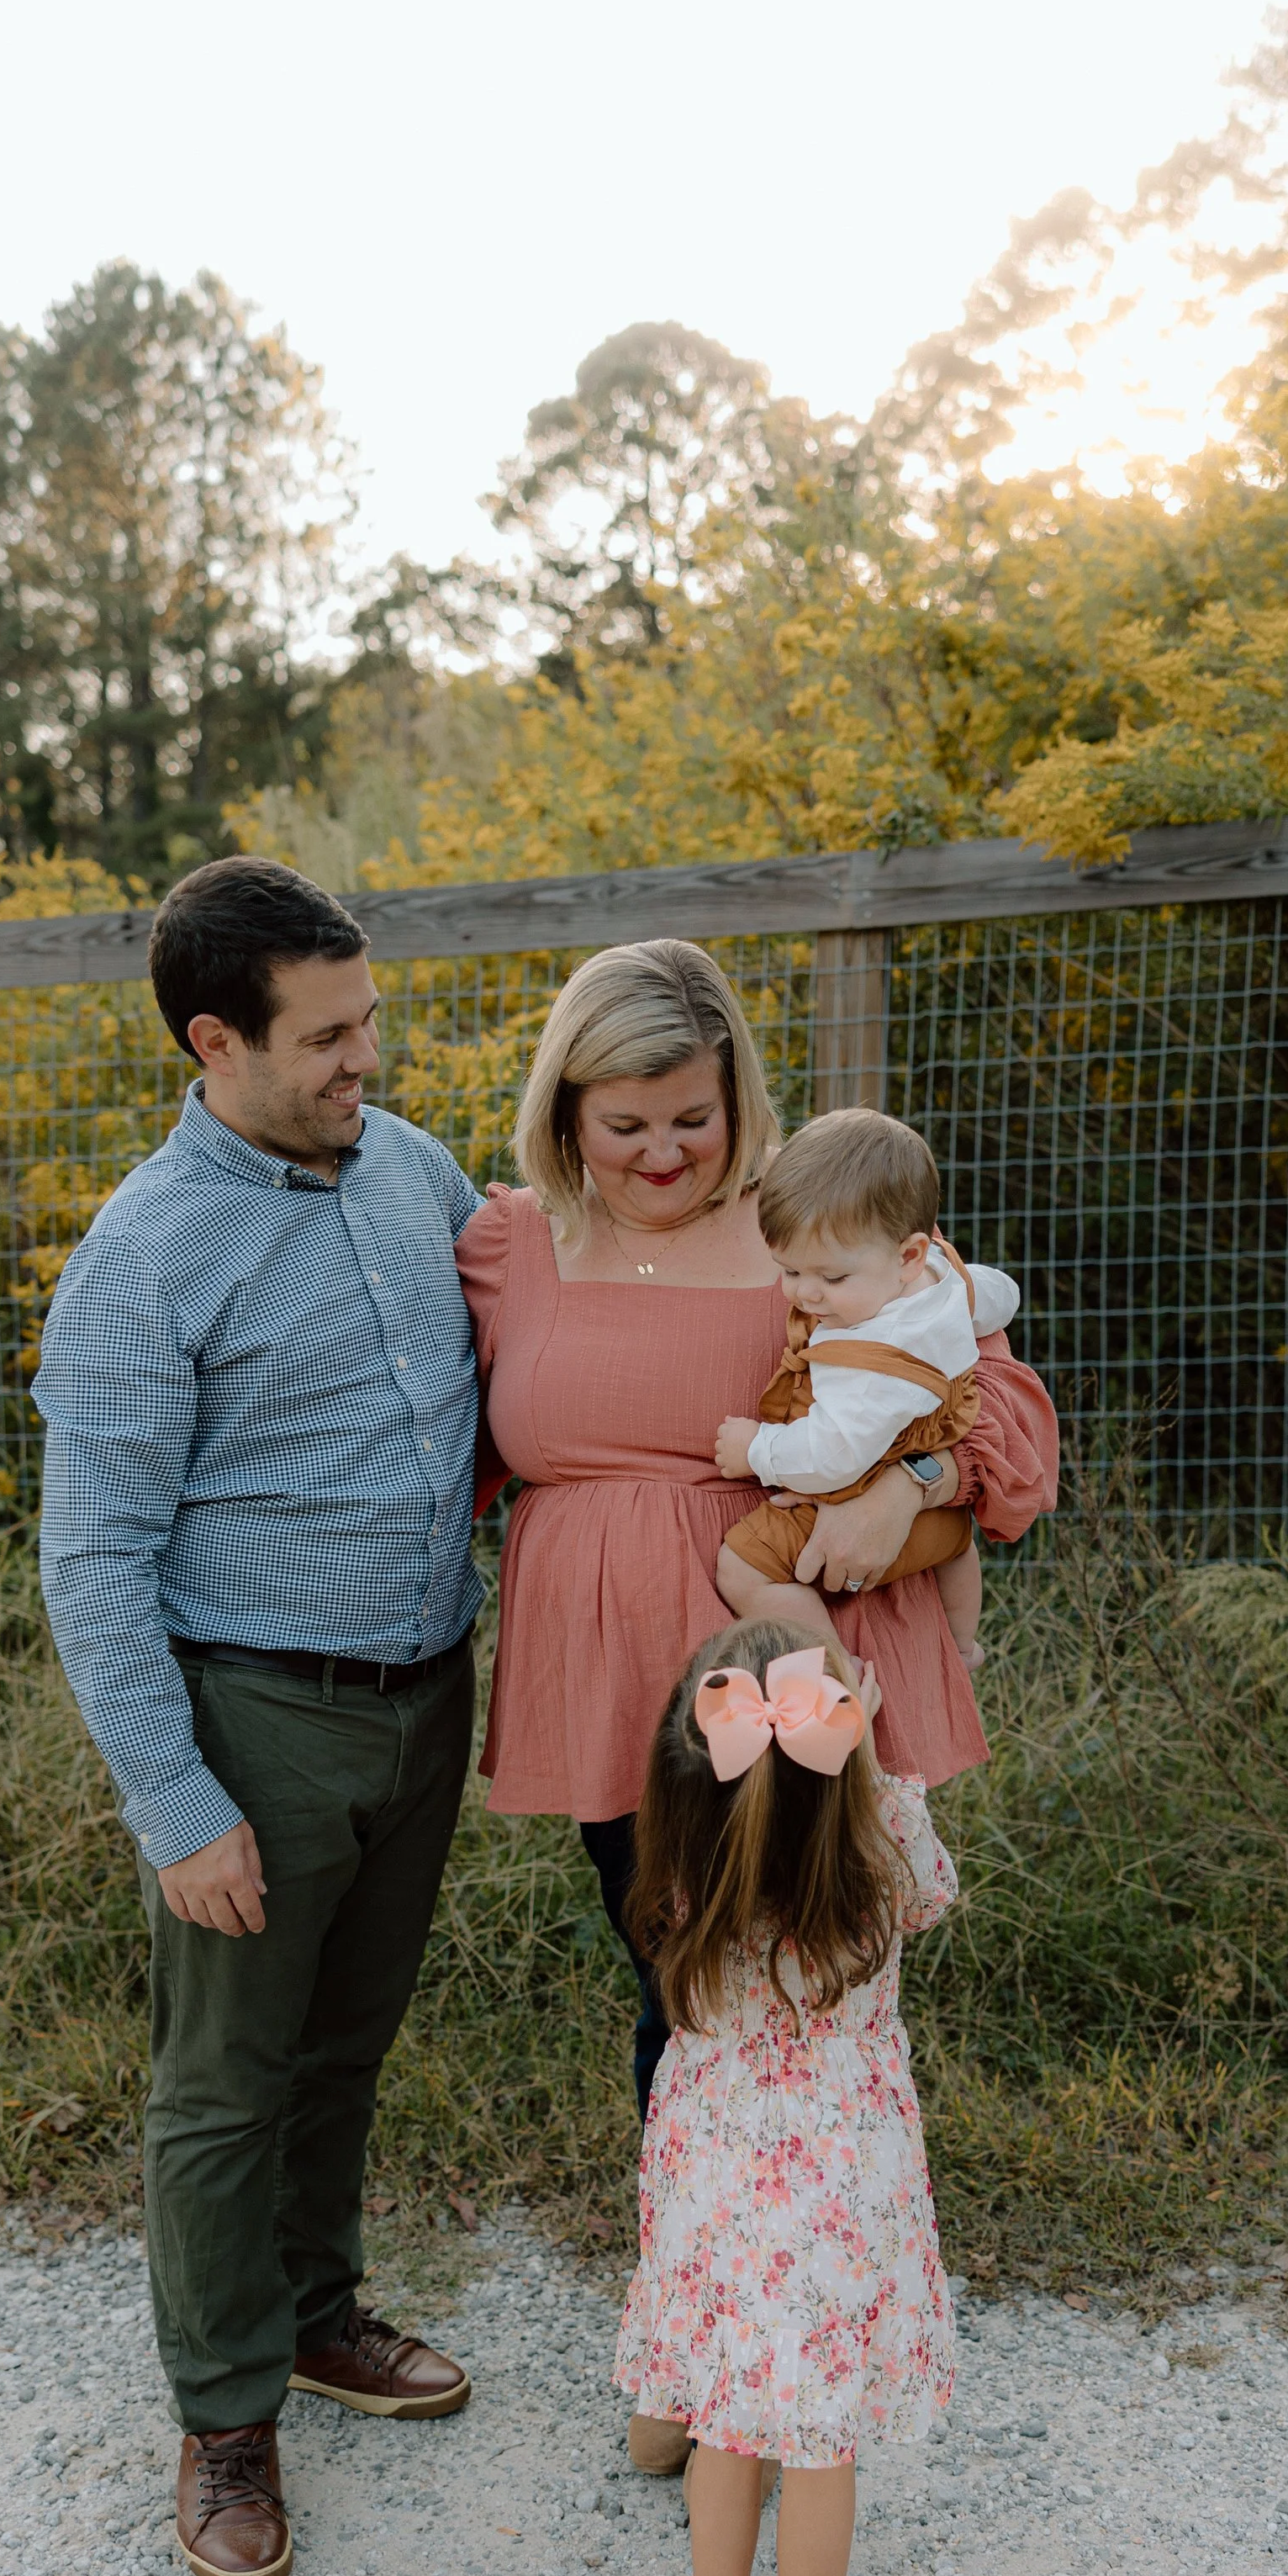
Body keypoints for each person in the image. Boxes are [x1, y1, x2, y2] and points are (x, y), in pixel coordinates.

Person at [454, 937, 1054, 2479]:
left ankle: (759, 2345)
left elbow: (999, 1407)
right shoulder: (510, 1242)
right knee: (674, 1991)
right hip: (610, 1691)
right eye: (623, 1121)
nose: (661, 1153)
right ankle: (700, 2330)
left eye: (691, 1118)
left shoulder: (816, 1221)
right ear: (565, 1108)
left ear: (738, 1100)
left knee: (781, 2002)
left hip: (784, 1663)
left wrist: (918, 1481)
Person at [34, 856, 478, 2576]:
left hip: (427, 1694)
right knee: (223, 2088)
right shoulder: (145, 1260)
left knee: (345, 2045)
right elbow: (91, 1559)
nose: (366, 1057)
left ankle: (312, 2317)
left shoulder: (414, 1173)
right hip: (254, 1721)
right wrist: (174, 1799)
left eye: (370, 1020)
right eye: (329, 1036)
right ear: (214, 1041)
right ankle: (223, 2414)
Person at [614, 1616, 954, 2576]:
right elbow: (922, 1888)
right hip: (839, 2179)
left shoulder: (678, 1858)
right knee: (818, 2433)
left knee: (728, 2410)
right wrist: (869, 1753)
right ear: (842, 1749)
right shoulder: (888, 1830)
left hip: (714, 2169)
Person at [713, 1105, 1021, 1670]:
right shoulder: (940, 1279)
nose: (806, 1294)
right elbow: (999, 1294)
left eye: (830, 1278)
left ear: (908, 1254)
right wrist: (969, 1294)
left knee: (742, 1568)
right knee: (957, 1545)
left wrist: (757, 1448)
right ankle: (961, 1645)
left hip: (860, 1487)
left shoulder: (868, 1362)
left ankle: (834, 1666)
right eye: (790, 1270)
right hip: (943, 1509)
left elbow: (832, 1457)